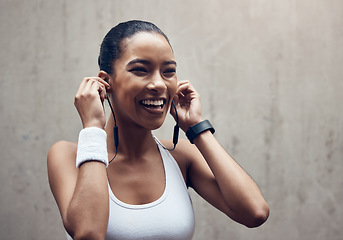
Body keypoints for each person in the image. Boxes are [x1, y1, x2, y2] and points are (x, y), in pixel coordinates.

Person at [47, 20, 269, 240]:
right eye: (141, 70)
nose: (159, 84)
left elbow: (254, 212)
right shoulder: (67, 155)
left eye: (168, 71)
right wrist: (93, 127)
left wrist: (196, 129)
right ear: (106, 82)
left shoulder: (182, 157)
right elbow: (89, 233)